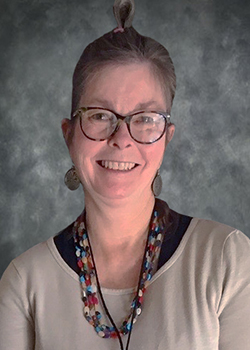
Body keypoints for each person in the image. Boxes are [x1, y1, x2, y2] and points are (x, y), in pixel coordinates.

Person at [0, 0, 250, 349]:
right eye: (100, 115)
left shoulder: (227, 260)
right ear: (68, 134)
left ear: (166, 138)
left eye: (145, 118)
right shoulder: (24, 282)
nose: (121, 139)